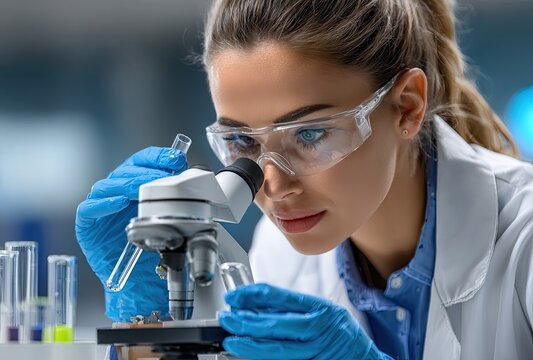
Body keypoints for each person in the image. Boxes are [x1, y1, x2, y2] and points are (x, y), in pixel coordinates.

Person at [76, 0, 533, 359]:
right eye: (242, 142)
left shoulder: (524, 241)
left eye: (310, 134)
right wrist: (149, 326)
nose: (273, 185)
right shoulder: (279, 259)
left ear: (407, 106)